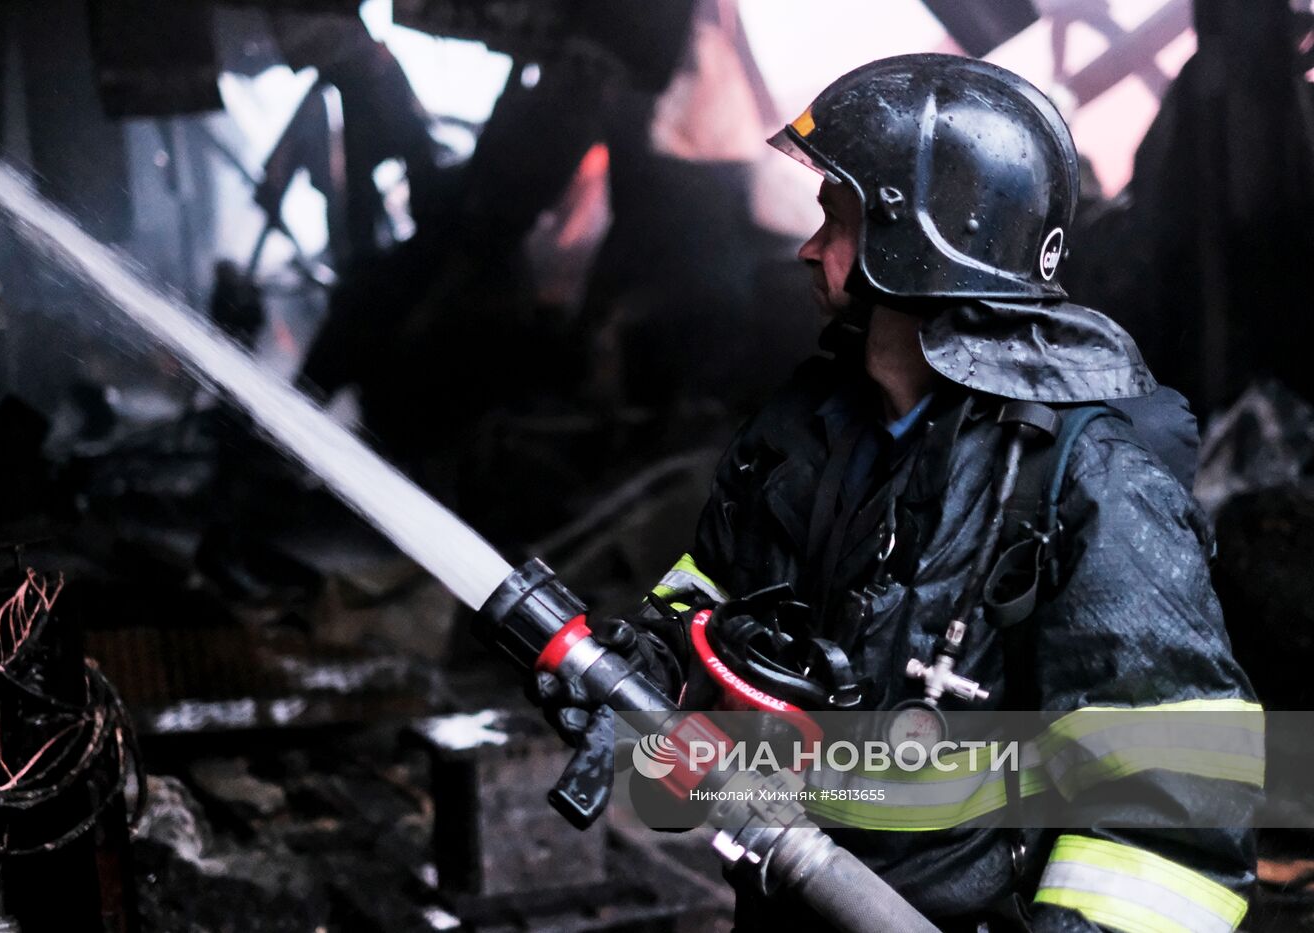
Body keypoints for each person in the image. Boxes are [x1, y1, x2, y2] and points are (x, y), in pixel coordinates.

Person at [537, 54, 1261, 931]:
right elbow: (712, 601)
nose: (808, 247)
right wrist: (641, 673)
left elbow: (1177, 802)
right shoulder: (804, 428)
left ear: (911, 243)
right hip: (787, 902)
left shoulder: (1090, 481)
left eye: (833, 220)